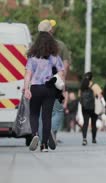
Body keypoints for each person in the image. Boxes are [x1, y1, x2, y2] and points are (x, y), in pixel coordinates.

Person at [23, 23, 65, 152]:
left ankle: (35, 134)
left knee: (34, 114)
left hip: (35, 87)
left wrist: (27, 89)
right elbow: (61, 73)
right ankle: (44, 145)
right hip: (49, 88)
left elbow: (28, 74)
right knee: (46, 117)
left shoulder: (32, 56)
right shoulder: (54, 56)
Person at [37, 19, 71, 147]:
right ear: (51, 31)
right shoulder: (59, 45)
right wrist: (62, 82)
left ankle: (43, 141)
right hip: (55, 82)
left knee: (41, 113)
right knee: (58, 110)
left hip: (39, 82)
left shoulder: (35, 46)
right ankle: (51, 130)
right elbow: (66, 65)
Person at [79, 72, 102, 145]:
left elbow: (80, 97)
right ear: (92, 78)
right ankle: (94, 139)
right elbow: (100, 95)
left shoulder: (82, 86)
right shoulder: (95, 85)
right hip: (93, 107)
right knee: (93, 123)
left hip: (84, 107)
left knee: (85, 123)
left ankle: (84, 139)